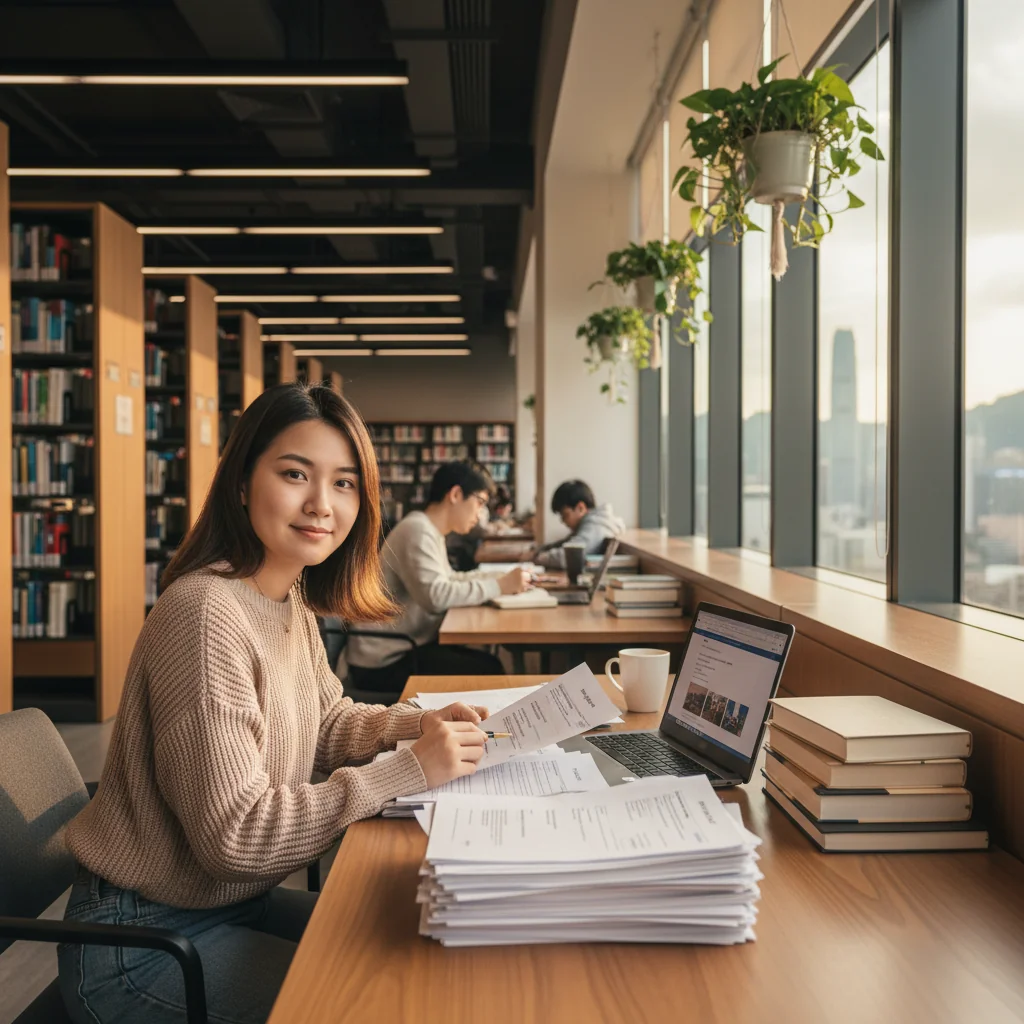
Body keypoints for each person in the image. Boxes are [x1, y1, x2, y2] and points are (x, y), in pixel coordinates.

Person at [58, 383, 491, 1024]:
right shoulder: (207, 613)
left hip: (228, 902)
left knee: (424, 953)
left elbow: (326, 722)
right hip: (143, 941)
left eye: (345, 483)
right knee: (382, 1004)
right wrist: (408, 769)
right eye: (295, 474)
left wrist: (416, 725)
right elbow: (235, 836)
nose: (322, 504)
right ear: (241, 481)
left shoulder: (283, 597)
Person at [344, 461, 530, 696]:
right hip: (383, 662)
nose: (482, 513)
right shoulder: (417, 530)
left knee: (485, 664)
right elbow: (436, 596)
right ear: (455, 494)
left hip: (405, 647)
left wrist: (501, 578)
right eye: (480, 502)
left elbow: (451, 579)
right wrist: (499, 585)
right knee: (488, 669)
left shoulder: (428, 529)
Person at [533, 479, 625, 569]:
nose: (563, 521)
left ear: (580, 508)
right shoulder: (590, 524)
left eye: (565, 515)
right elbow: (566, 543)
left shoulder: (596, 527)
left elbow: (571, 555)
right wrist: (538, 551)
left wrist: (537, 557)